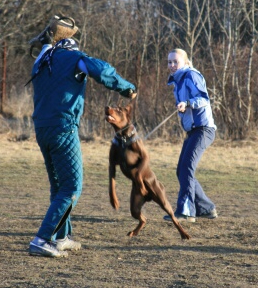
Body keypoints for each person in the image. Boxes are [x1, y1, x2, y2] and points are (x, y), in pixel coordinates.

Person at [27, 17, 137, 258]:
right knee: (72, 187)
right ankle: (42, 239)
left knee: (58, 186)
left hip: (42, 129)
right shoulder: (73, 58)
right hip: (63, 128)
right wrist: (126, 88)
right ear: (69, 42)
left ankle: (61, 236)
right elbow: (101, 70)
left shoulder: (42, 61)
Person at [163, 48, 218, 223]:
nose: (172, 65)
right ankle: (207, 208)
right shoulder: (177, 81)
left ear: (186, 63)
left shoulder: (191, 76)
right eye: (169, 62)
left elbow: (203, 99)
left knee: (187, 168)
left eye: (175, 62)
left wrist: (187, 103)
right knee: (181, 171)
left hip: (204, 129)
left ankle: (186, 212)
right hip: (193, 131)